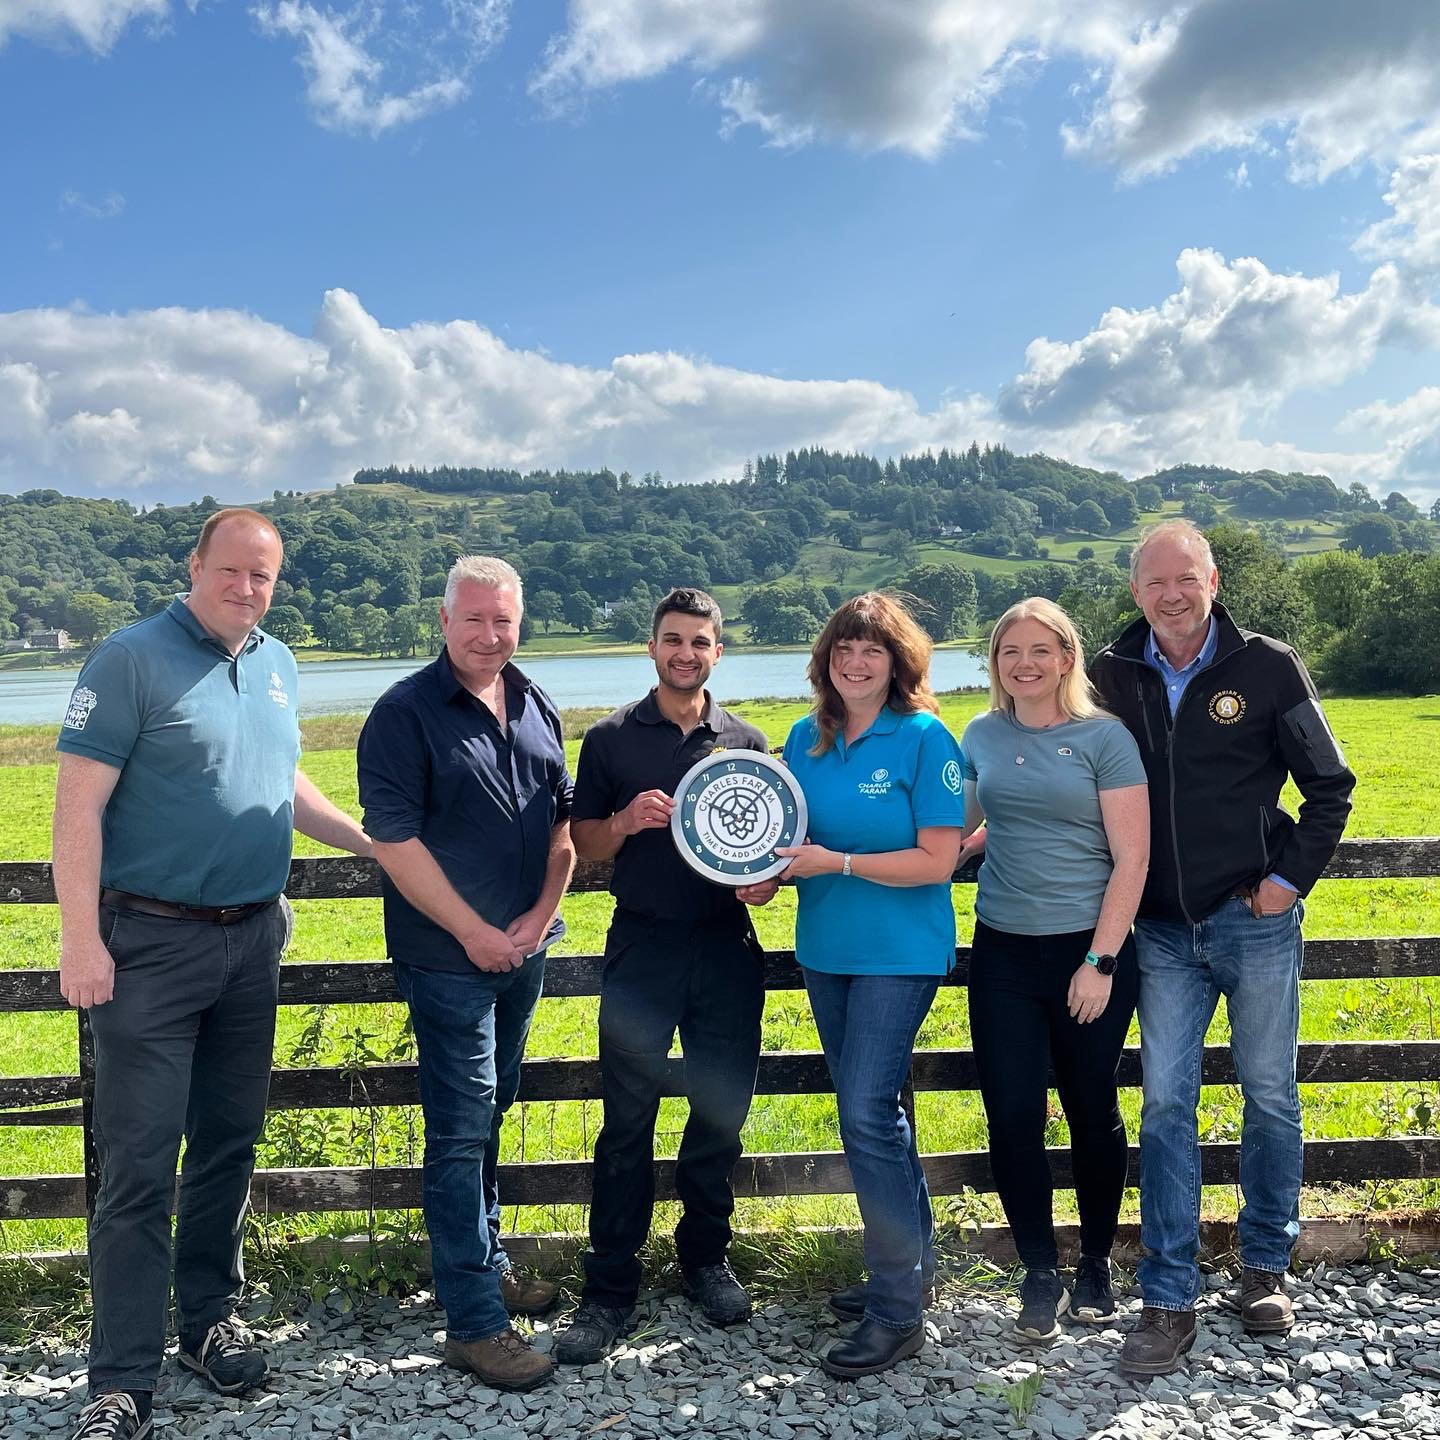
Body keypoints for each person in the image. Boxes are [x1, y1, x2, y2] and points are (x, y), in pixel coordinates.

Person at [53, 508, 373, 1440]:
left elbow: (282, 781)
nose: (245, 588)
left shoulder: (275, 663)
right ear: (195, 567)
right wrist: (82, 938)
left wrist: (369, 842)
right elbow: (78, 811)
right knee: (141, 1165)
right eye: (230, 571)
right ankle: (118, 1381)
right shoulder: (129, 658)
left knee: (228, 1147)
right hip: (149, 944)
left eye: (262, 576)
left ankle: (206, 1324)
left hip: (249, 944)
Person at [1089, 520, 1355, 1376]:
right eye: (1155, 583)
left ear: (1213, 581)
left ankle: (1265, 1265)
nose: (1171, 595)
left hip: (1255, 917)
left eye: (1186, 579)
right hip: (1160, 928)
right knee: (1166, 1104)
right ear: (1137, 593)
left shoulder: (1267, 667)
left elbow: (1330, 785)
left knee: (1271, 1091)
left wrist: (1289, 882)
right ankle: (1168, 1297)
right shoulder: (1108, 674)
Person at [356, 556, 575, 1394]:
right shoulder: (403, 715)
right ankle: (476, 1324)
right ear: (442, 621)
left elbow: (561, 825)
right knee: (458, 1129)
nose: (490, 635)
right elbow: (396, 845)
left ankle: (483, 1265)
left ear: (522, 622)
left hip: (523, 946)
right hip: (449, 958)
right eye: (474, 619)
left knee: (496, 1107)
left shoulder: (535, 700)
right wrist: (476, 931)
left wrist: (531, 919)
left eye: (504, 621)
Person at [551, 588, 774, 1362]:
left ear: (719, 652)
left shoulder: (746, 738)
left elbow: (769, 854)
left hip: (726, 946)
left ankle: (704, 1259)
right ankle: (609, 1286)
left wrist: (766, 882)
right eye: (673, 639)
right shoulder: (611, 738)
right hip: (642, 947)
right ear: (651, 647)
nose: (686, 652)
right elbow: (584, 840)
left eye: (701, 642)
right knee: (626, 1123)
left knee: (720, 1115)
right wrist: (623, 823)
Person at [769, 592, 966, 1379]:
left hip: (900, 951)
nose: (856, 662)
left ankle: (895, 1312)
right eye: (844, 649)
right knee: (877, 1116)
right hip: (825, 946)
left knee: (864, 1114)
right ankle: (909, 1273)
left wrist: (838, 864)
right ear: (826, 660)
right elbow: (790, 845)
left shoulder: (924, 738)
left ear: (898, 662)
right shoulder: (801, 738)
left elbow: (937, 860)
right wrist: (764, 878)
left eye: (873, 651)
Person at [958, 598, 1148, 1344]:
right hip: (1003, 948)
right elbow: (966, 827)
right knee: (1010, 1114)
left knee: (1090, 1107)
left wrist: (1100, 961)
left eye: (1042, 651)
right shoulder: (980, 733)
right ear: (996, 662)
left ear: (1068, 658)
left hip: (1089, 950)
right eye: (1011, 652)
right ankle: (1040, 1270)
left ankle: (1095, 1263)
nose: (1025, 665)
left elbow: (1132, 856)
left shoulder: (1104, 737)